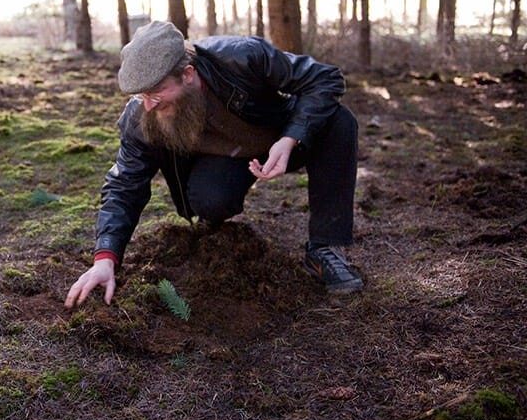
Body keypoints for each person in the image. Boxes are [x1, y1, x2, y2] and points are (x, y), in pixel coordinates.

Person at [65, 21, 363, 308]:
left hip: (279, 138)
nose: (149, 105)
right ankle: (213, 209)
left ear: (188, 74)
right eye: (142, 95)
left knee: (338, 121)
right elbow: (124, 184)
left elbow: (325, 79)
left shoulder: (243, 56)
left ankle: (324, 247)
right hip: (226, 159)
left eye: (157, 94)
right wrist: (105, 258)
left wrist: (291, 138)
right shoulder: (142, 116)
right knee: (210, 200)